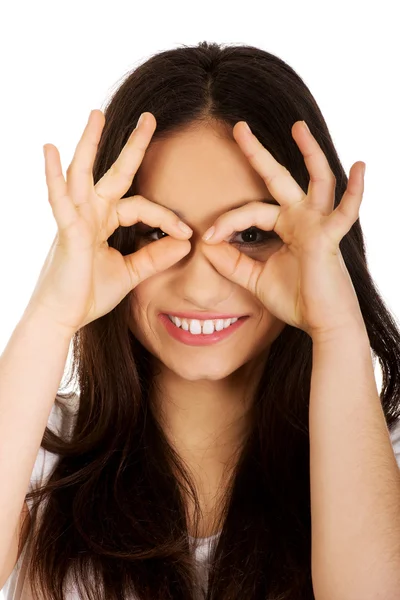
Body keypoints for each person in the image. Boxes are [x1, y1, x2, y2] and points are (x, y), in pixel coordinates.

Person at [1, 41, 400, 600]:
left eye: (252, 235)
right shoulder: (31, 457)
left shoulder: (384, 464)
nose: (200, 287)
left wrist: (337, 330)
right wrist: (49, 315)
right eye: (157, 232)